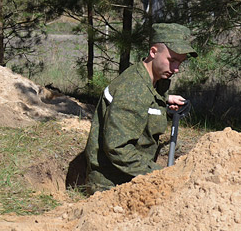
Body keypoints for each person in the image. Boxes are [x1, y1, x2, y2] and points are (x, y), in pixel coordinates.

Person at [84, 23, 197, 191]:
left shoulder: (151, 81)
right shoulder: (132, 90)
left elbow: (144, 105)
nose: (176, 69)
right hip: (112, 184)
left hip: (131, 175)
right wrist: (161, 174)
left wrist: (164, 101)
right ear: (153, 52)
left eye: (180, 62)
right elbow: (118, 148)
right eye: (172, 60)